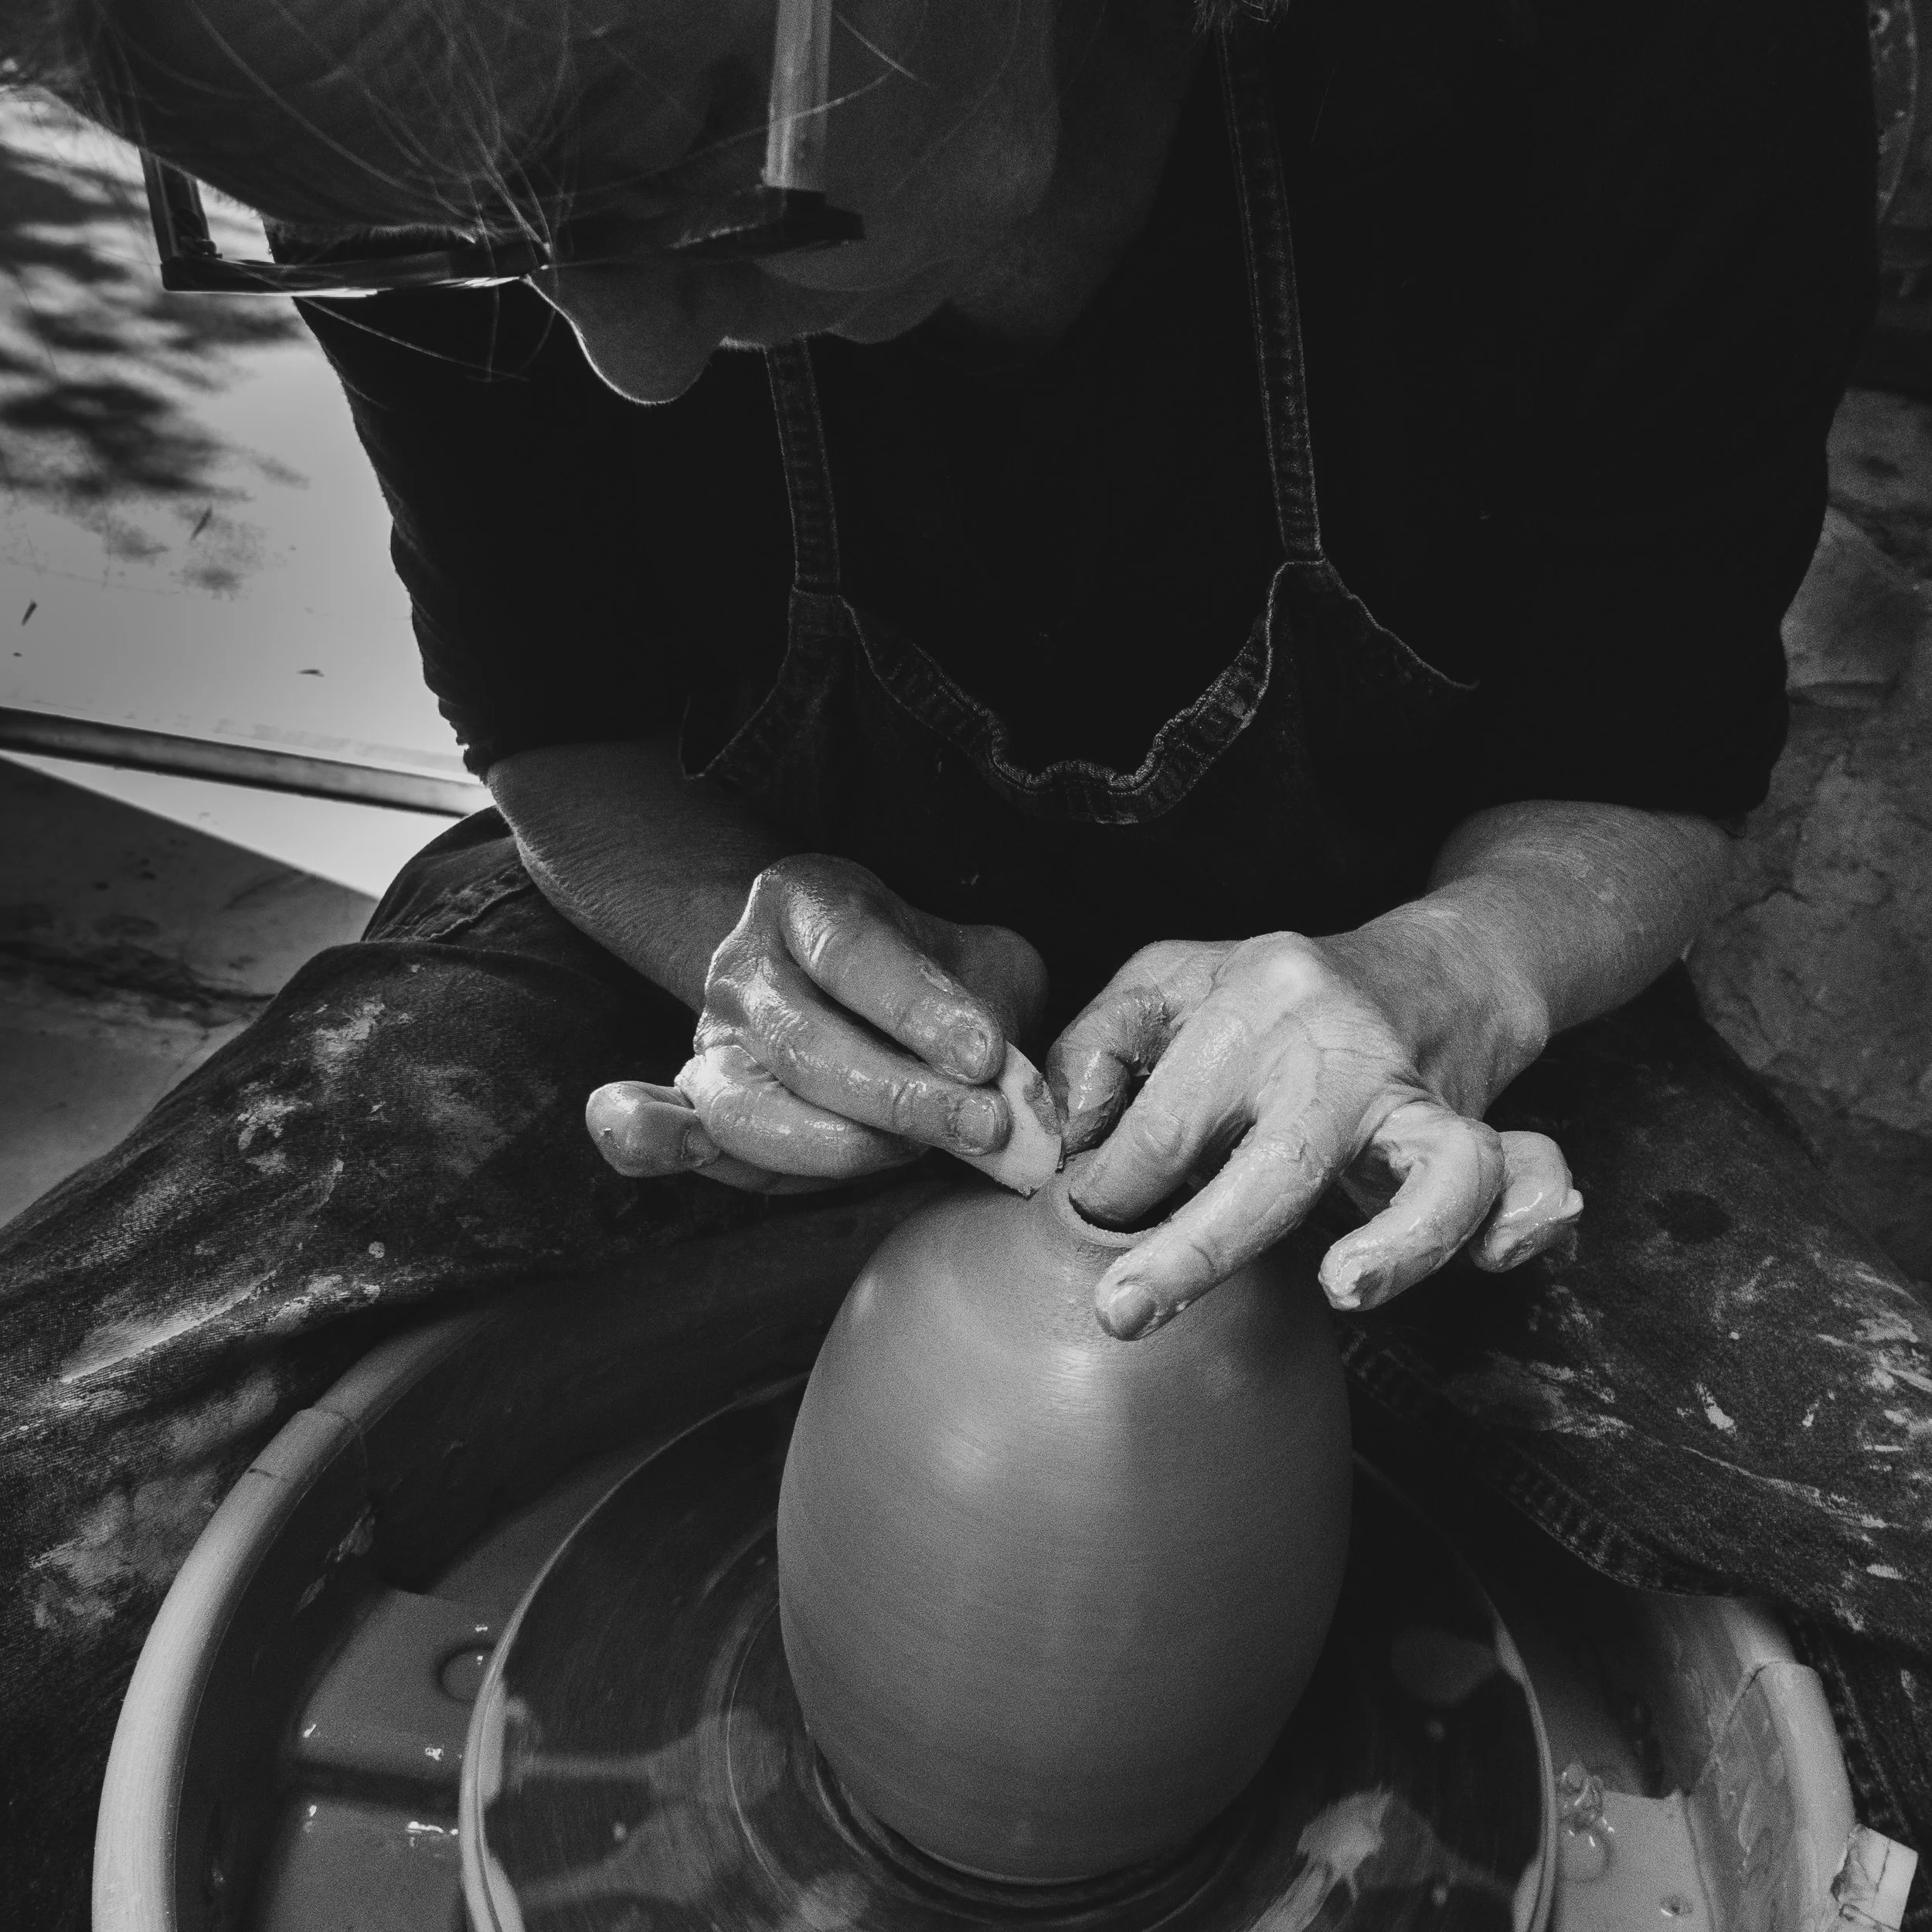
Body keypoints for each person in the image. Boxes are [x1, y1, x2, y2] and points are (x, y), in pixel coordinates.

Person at [2, 0, 1926, 1923]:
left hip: (1416, 965)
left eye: (672, 157)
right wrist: (737, 945)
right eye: (490, 250)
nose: (626, 357)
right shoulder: (363, 80)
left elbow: (1640, 764)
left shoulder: (1659, 52)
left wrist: (1452, 970)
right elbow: (559, 724)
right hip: (724, 910)